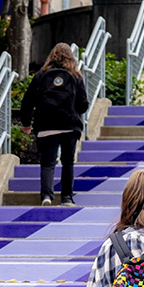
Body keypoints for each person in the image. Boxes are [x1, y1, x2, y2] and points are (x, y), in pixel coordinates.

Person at [20, 43, 89, 206]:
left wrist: (26, 123)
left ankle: (46, 196)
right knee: (68, 162)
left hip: (46, 126)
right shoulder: (76, 76)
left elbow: (27, 101)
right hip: (69, 126)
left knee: (47, 163)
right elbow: (83, 104)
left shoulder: (41, 75)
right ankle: (66, 198)